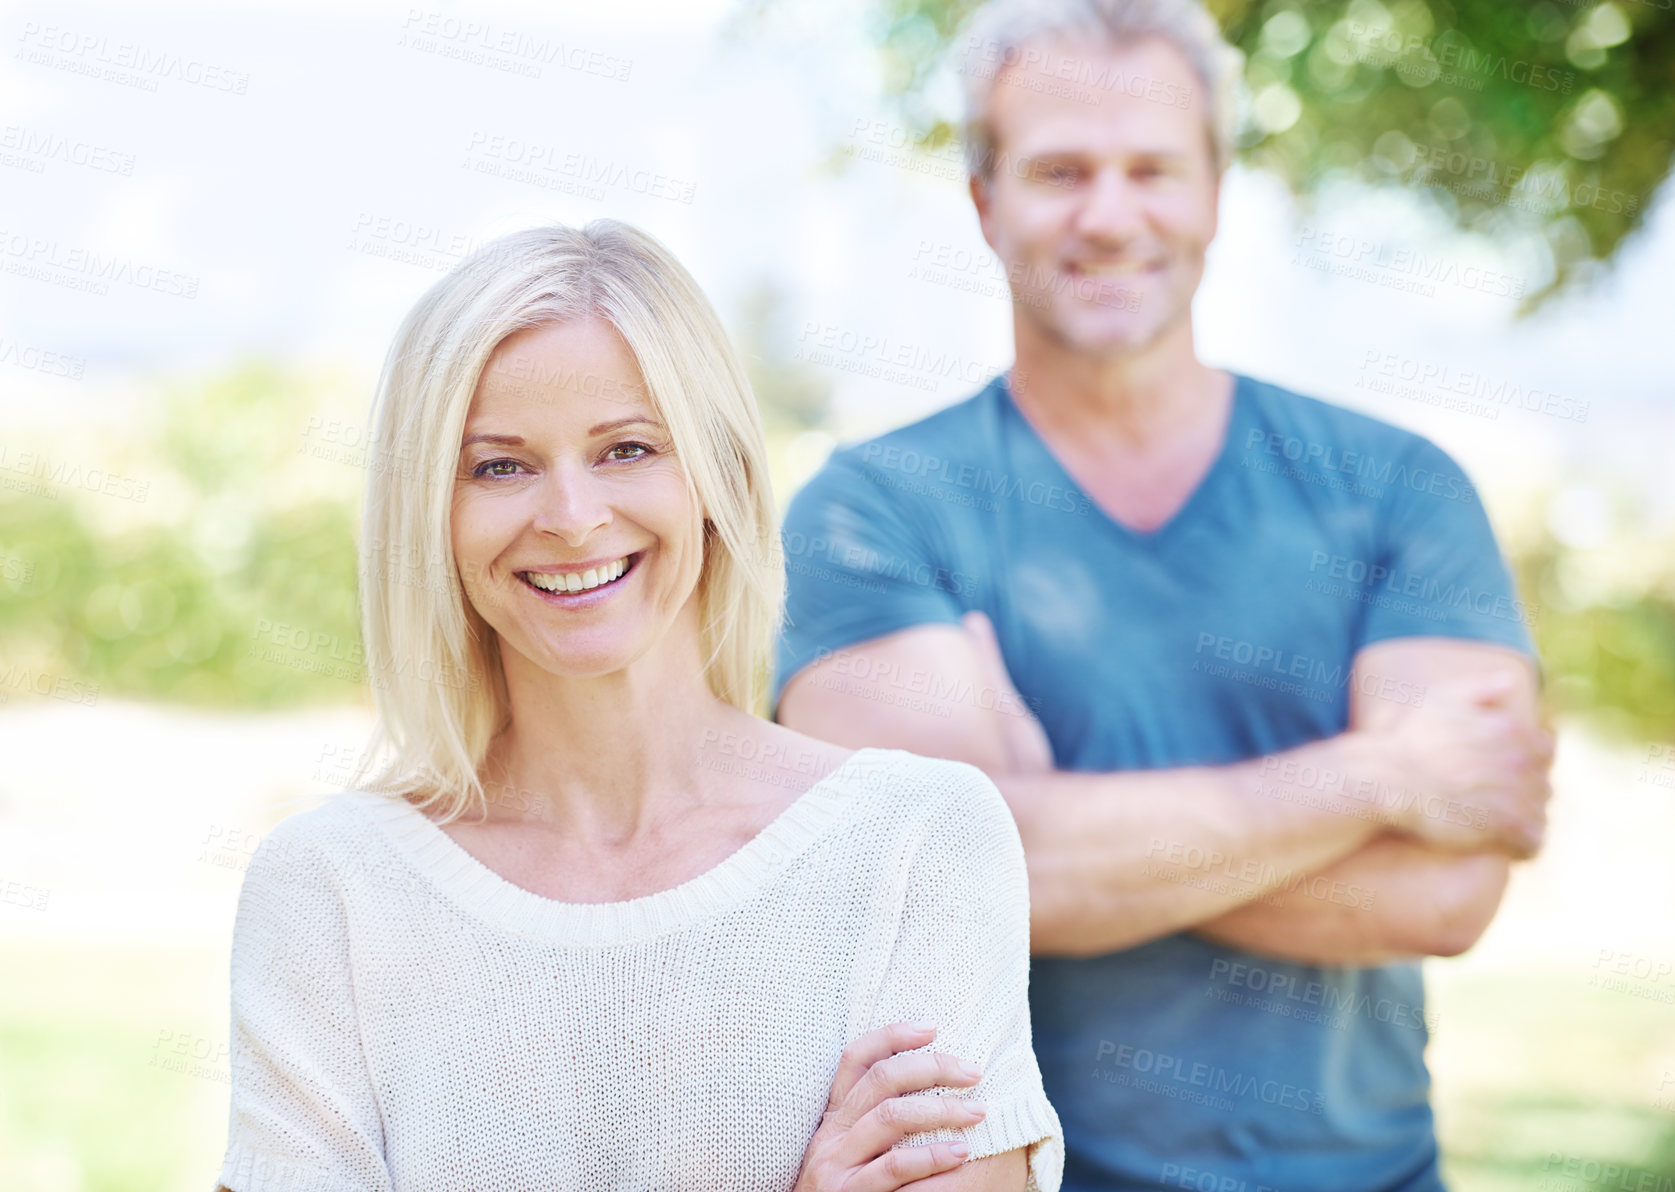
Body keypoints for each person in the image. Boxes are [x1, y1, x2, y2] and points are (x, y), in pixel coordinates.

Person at [772, 2, 1553, 1190]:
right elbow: (925, 877)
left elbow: (1445, 890)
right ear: (982, 202)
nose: (1108, 213)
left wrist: (1045, 830)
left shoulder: (1395, 488)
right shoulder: (875, 507)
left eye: (1151, 170)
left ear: (1217, 192)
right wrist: (1380, 777)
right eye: (1058, 171)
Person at [216, 221, 1063, 1192]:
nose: (571, 516)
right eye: (499, 464)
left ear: (716, 475)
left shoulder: (918, 843)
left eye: (625, 449)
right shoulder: (329, 891)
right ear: (428, 512)